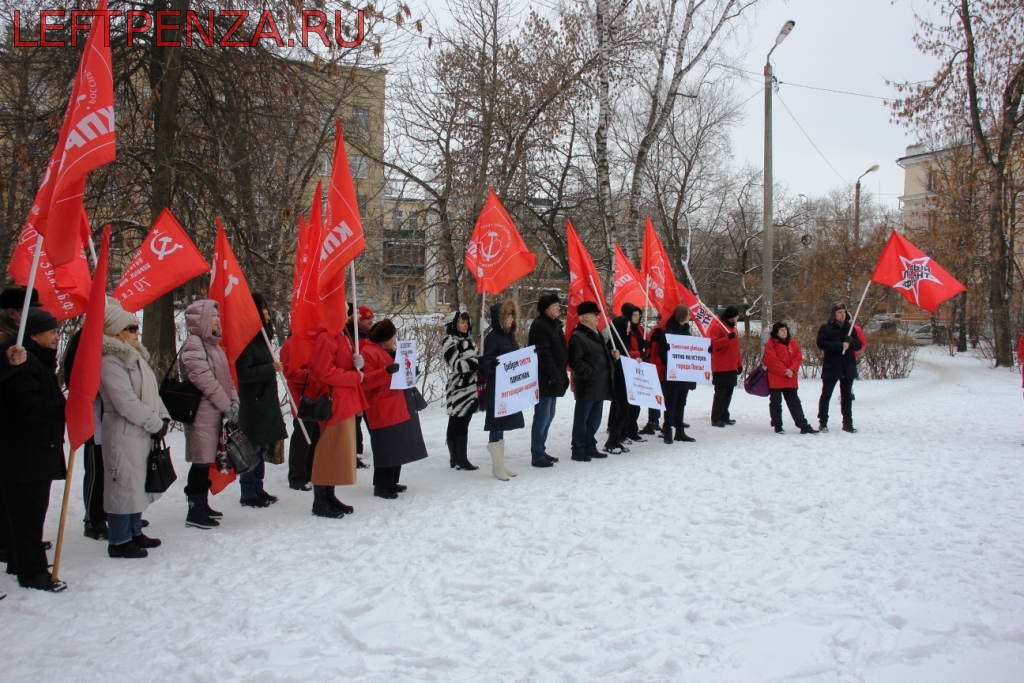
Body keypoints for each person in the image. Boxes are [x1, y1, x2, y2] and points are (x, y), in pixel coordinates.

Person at [0, 307, 67, 592]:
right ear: (35, 335)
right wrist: (66, 408)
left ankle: (20, 562)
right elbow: (26, 407)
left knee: (28, 513)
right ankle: (33, 572)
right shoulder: (23, 364)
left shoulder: (36, 361)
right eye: (52, 332)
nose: (56, 337)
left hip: (34, 451)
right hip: (25, 453)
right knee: (28, 514)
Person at [99, 298, 170, 558]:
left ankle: (134, 530)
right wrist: (154, 422)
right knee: (123, 484)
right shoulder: (110, 360)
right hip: (123, 431)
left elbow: (151, 390)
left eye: (136, 327)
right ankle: (119, 539)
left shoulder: (135, 355)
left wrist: (162, 417)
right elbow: (124, 401)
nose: (136, 332)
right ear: (117, 331)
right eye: (131, 328)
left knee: (138, 483)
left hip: (141, 430)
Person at [179, 300, 238, 530]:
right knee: (201, 461)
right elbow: (203, 379)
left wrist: (234, 402)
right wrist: (225, 403)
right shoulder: (193, 345)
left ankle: (202, 504)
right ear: (200, 319)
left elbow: (226, 378)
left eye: (217, 315)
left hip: (216, 411)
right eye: (212, 315)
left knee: (207, 460)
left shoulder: (213, 345)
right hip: (202, 412)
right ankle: (195, 509)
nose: (217, 319)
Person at [308, 309, 368, 518]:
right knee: (329, 450)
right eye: (341, 311)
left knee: (337, 451)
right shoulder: (326, 337)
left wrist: (357, 363)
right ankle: (320, 499)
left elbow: (340, 363)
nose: (346, 315)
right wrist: (354, 376)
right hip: (333, 401)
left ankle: (329, 494)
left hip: (344, 400)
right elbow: (324, 372)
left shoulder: (342, 335)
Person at [361, 320, 429, 498]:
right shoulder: (368, 352)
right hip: (383, 406)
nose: (394, 340)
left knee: (397, 446)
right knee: (386, 448)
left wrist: (411, 369)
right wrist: (385, 372)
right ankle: (382, 486)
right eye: (392, 337)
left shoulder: (391, 351)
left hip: (397, 404)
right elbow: (365, 381)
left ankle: (391, 481)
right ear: (383, 339)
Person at [234, 293, 287, 508]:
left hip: (265, 400)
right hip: (252, 402)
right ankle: (248, 492)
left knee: (263, 446)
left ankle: (258, 488)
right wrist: (269, 369)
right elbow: (243, 373)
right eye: (263, 312)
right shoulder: (246, 341)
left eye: (267, 312)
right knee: (253, 448)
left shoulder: (263, 338)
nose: (267, 316)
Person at [63, 326, 107, 540]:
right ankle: (93, 518)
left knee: (112, 468)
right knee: (96, 468)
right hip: (94, 413)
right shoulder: (85, 336)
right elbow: (74, 375)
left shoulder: (111, 337)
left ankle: (113, 512)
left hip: (112, 415)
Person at [567, 301, 619, 461]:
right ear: (585, 317)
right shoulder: (578, 337)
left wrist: (611, 357)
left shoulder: (595, 334)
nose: (598, 318)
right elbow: (576, 362)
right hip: (588, 385)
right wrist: (593, 373)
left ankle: (590, 445)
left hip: (599, 385)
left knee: (594, 420)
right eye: (595, 315)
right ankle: (578, 449)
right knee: (582, 420)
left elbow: (598, 357)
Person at [481, 300, 523, 481]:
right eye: (509, 316)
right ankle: (496, 466)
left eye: (513, 316)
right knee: (496, 426)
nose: (512, 319)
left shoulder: (508, 336)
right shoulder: (491, 338)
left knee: (503, 426)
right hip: (496, 389)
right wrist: (493, 364)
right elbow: (485, 363)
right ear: (500, 318)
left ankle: (501, 464)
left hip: (507, 388)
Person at [527, 293, 567, 467]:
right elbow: (543, 354)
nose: (559, 307)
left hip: (554, 378)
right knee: (542, 416)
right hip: (545, 379)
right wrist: (554, 376)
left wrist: (561, 375)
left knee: (549, 416)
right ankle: (537, 454)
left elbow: (560, 352)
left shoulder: (554, 325)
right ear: (546, 308)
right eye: (555, 304)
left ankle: (541, 449)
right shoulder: (540, 326)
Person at [281, 331, 320, 491]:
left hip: (315, 393)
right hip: (302, 396)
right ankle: (296, 476)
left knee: (314, 434)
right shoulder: (291, 344)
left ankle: (310, 472)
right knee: (302, 435)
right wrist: (315, 374)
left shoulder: (312, 342)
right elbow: (290, 372)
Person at [763, 322, 818, 435]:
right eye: (781, 330)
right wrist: (785, 371)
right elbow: (770, 360)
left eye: (785, 329)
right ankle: (777, 425)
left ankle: (803, 425)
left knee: (794, 402)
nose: (784, 331)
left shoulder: (793, 343)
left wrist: (792, 369)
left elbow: (798, 356)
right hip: (776, 378)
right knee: (776, 403)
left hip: (790, 378)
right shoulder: (771, 344)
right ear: (776, 332)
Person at [441, 310, 479, 471]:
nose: (466, 324)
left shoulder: (469, 340)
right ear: (453, 324)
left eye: (467, 322)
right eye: (462, 322)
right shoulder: (449, 341)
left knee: (464, 422)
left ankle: (458, 457)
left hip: (471, 388)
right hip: (458, 389)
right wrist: (477, 363)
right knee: (457, 422)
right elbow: (455, 365)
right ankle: (458, 458)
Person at [816, 302, 863, 433]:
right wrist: (840, 345)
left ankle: (848, 423)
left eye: (844, 312)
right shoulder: (826, 328)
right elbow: (821, 343)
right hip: (832, 366)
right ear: (834, 314)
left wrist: (851, 341)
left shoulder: (850, 328)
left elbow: (859, 345)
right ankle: (823, 423)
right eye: (839, 312)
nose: (842, 315)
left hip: (847, 366)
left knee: (847, 396)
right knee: (826, 395)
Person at [653, 305, 697, 444]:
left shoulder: (687, 332)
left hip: (685, 374)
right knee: (671, 403)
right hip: (673, 374)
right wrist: (667, 353)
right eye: (688, 314)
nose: (690, 317)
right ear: (681, 315)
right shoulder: (668, 332)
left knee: (681, 403)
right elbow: (661, 353)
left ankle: (679, 430)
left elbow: (692, 351)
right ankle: (668, 430)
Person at [604, 306, 635, 454]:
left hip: (624, 380)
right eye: (627, 326)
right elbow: (609, 362)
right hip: (617, 381)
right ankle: (611, 441)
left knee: (624, 410)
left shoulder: (624, 341)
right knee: (622, 410)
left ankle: (616, 439)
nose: (629, 329)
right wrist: (615, 360)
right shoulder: (613, 342)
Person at [709, 306, 743, 427]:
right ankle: (716, 418)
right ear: (731, 317)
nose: (738, 318)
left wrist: (739, 364)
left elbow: (736, 349)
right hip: (721, 366)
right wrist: (726, 339)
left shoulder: (733, 330)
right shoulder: (718, 328)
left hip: (731, 366)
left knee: (729, 393)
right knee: (720, 393)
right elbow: (714, 345)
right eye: (736, 316)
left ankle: (724, 416)